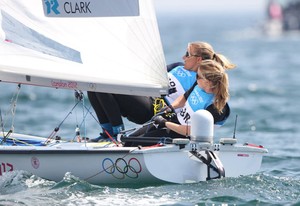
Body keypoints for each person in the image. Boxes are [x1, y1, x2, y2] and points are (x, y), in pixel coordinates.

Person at [88, 41, 235, 141]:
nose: (184, 57)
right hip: (148, 99)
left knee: (105, 88)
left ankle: (116, 134)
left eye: (188, 54)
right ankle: (107, 132)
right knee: (95, 85)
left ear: (199, 60)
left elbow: (199, 106)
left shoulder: (199, 82)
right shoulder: (177, 67)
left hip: (157, 110)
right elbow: (150, 73)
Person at [128, 59, 229, 140]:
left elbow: (192, 131)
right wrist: (171, 107)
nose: (195, 77)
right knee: (130, 139)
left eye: (198, 76)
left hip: (183, 137)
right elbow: (184, 97)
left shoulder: (216, 107)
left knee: (137, 143)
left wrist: (165, 123)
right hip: (173, 122)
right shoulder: (198, 85)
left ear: (208, 82)